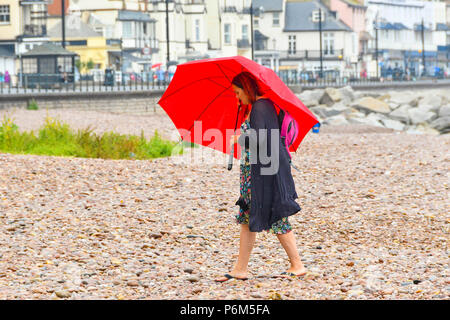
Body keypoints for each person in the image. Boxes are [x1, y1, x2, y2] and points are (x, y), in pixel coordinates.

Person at [215, 72, 307, 282]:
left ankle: (297, 264)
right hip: (256, 174)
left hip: (264, 174)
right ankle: (240, 269)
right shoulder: (258, 107)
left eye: (238, 93)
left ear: (246, 88)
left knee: (277, 218)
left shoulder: (261, 107)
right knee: (247, 218)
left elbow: (263, 140)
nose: (237, 98)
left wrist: (240, 138)